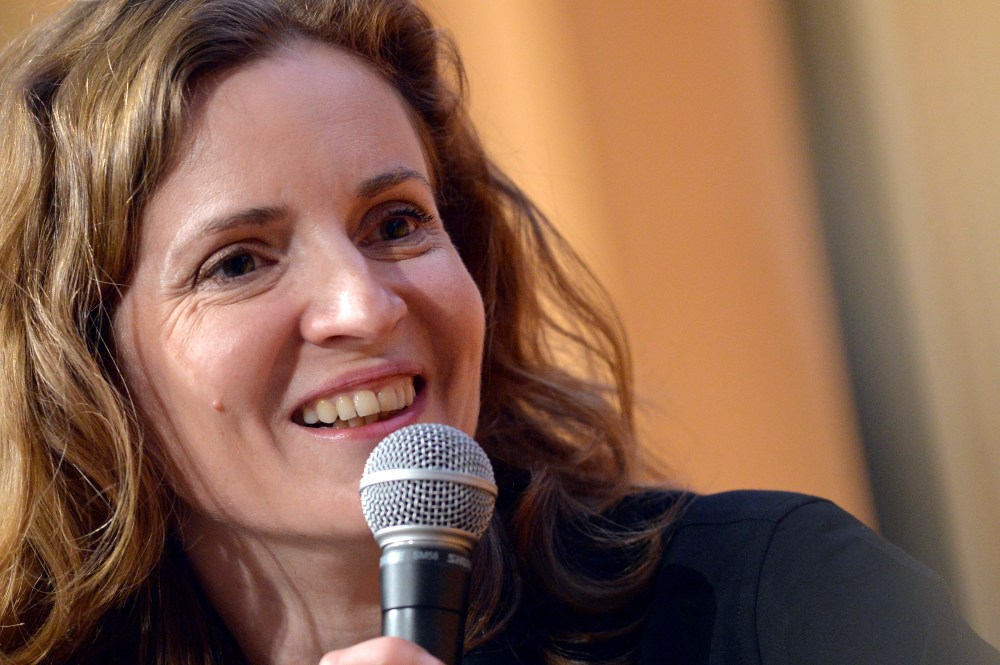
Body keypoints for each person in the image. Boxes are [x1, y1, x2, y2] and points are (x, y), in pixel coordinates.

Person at [0, 1, 996, 664]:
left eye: (395, 224)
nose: (365, 305)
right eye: (239, 260)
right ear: (84, 363)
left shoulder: (778, 604)